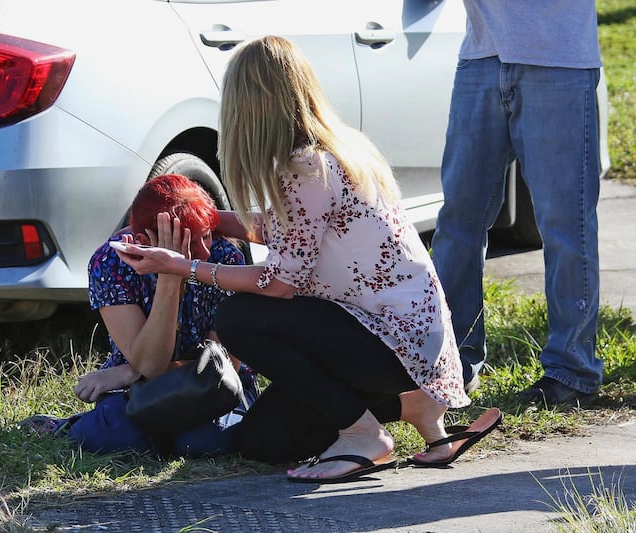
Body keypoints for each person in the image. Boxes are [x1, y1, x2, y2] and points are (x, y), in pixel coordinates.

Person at [114, 35, 502, 483]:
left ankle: (363, 435)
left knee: (240, 316)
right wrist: (210, 219)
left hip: (392, 343)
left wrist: (184, 267)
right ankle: (412, 406)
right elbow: (295, 233)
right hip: (392, 337)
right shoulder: (332, 150)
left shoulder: (306, 169)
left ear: (254, 105)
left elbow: (280, 283)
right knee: (265, 442)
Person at [430, 1, 604, 407]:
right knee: (457, 221)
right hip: (481, 54)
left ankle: (572, 371)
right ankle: (453, 361)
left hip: (557, 58)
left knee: (565, 224)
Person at [21, 173, 257, 457]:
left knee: (208, 441)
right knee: (114, 434)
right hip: (146, 386)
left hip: (217, 386)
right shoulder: (109, 263)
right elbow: (151, 364)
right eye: (190, 242)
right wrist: (171, 277)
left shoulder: (225, 258)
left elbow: (222, 366)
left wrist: (128, 372)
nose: (205, 251)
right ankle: (72, 427)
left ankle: (158, 436)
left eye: (207, 235)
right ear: (146, 240)